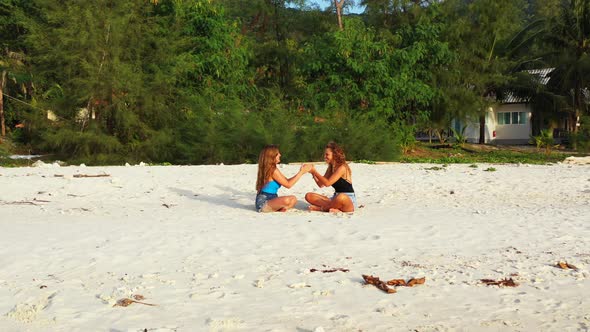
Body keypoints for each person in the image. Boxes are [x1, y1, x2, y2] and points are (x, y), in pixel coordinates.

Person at [255, 145, 312, 212]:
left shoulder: (272, 168)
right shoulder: (272, 170)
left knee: (293, 199)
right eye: (277, 154)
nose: (280, 155)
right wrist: (301, 172)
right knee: (287, 200)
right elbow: (288, 185)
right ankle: (277, 208)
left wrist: (301, 172)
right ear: (272, 156)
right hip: (263, 202)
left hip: (272, 198)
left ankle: (278, 208)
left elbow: (286, 181)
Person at [305, 142, 356, 213]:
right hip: (335, 198)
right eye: (324, 154)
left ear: (335, 155)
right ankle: (334, 208)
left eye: (327, 154)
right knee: (309, 196)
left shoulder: (342, 167)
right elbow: (321, 184)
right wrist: (313, 173)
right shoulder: (331, 167)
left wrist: (315, 172)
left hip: (347, 199)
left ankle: (321, 209)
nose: (325, 157)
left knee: (341, 197)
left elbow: (327, 183)